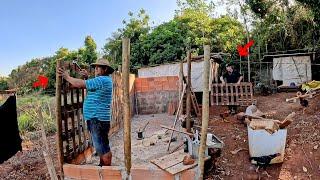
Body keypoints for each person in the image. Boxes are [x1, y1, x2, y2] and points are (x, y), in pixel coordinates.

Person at [58, 58, 114, 166]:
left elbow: (79, 84)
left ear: (105, 69)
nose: (96, 69)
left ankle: (107, 173)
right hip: (98, 119)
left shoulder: (102, 80)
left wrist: (67, 76)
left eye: (98, 67)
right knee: (101, 147)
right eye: (95, 67)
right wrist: (87, 78)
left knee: (103, 149)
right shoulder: (103, 80)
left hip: (97, 120)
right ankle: (102, 168)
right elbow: (90, 86)